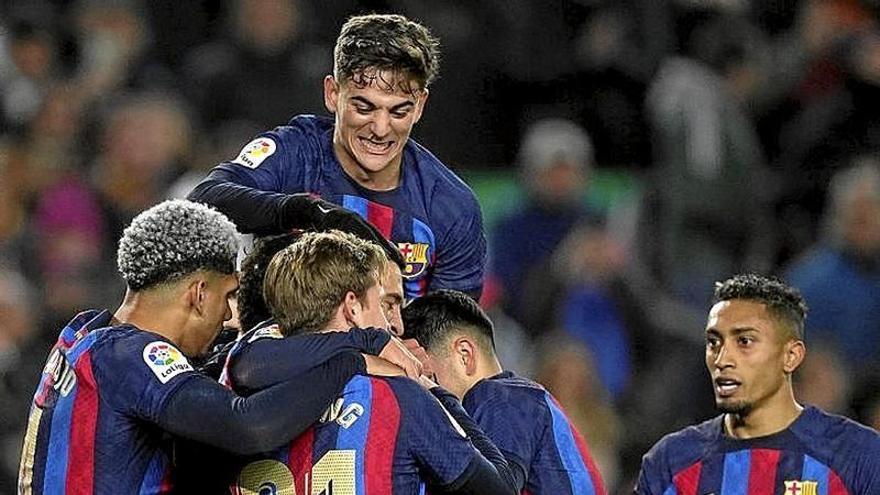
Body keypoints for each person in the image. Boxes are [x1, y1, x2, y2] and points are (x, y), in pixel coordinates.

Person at [16, 200, 417, 494]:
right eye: (227, 297)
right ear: (198, 293)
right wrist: (349, 360)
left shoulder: (83, 334)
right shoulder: (133, 355)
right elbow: (249, 427)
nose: (228, 317)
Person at [188, 13, 487, 300]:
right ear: (332, 93)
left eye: (399, 111)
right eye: (364, 108)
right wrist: (305, 212)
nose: (381, 129)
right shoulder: (295, 152)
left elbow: (450, 329)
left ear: (420, 106)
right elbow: (204, 198)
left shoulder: (453, 207)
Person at [224, 230, 516, 494]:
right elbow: (499, 489)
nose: (394, 324)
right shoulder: (400, 397)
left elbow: (245, 360)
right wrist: (435, 392)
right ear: (352, 306)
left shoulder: (230, 389)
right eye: (383, 303)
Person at [636, 274, 880, 494]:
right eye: (714, 342)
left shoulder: (859, 457)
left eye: (744, 341)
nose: (722, 360)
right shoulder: (670, 462)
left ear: (791, 356)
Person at [402, 289, 606, 494]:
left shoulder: (501, 397)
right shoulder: (526, 402)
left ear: (465, 355)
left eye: (425, 372)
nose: (418, 388)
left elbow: (493, 490)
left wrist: (434, 392)